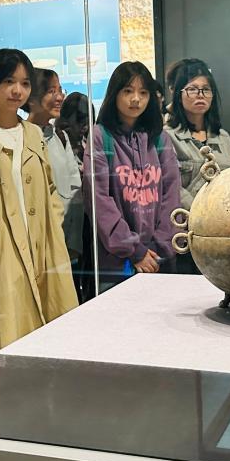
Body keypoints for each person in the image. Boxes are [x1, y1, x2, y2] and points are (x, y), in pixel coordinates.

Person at [0, 49, 77, 401]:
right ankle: (11, 413)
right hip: (1, 254)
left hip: (43, 250)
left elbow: (49, 189)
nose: (17, 90)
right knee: (6, 339)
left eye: (23, 83)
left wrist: (52, 229)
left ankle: (46, 408)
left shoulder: (33, 134)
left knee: (49, 332)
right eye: (8, 81)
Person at [83, 61, 181, 291]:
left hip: (159, 260)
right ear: (114, 94)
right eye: (128, 91)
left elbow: (172, 196)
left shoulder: (160, 139)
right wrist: (135, 250)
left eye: (143, 92)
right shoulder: (100, 137)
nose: (136, 99)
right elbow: (99, 200)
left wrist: (157, 249)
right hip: (117, 263)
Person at [166, 60, 230, 274]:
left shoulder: (223, 137)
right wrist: (203, 213)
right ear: (178, 94)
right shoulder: (167, 136)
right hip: (187, 231)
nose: (200, 95)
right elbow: (171, 186)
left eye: (206, 89)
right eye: (192, 89)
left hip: (223, 231)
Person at [24, 68, 83, 262]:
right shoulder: (18, 138)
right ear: (32, 98)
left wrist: (74, 242)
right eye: (51, 91)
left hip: (62, 244)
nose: (59, 97)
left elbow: (75, 191)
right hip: (32, 248)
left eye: (60, 90)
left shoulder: (61, 136)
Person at [55, 91, 95, 302]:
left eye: (88, 119)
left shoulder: (91, 142)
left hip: (90, 219)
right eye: (80, 120)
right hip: (67, 220)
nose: (85, 126)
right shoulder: (59, 140)